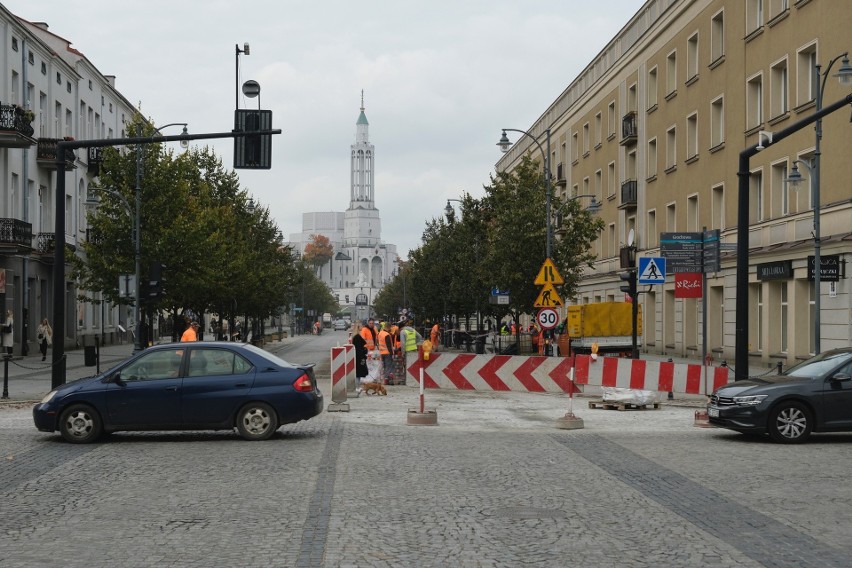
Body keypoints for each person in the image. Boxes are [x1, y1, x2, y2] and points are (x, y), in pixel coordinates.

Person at [351, 320, 368, 395]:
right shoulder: (357, 337)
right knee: (359, 372)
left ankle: (357, 386)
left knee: (359, 372)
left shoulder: (356, 336)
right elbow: (358, 348)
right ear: (358, 327)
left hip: (358, 357)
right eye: (361, 326)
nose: (362, 327)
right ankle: (357, 387)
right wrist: (364, 351)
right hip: (359, 357)